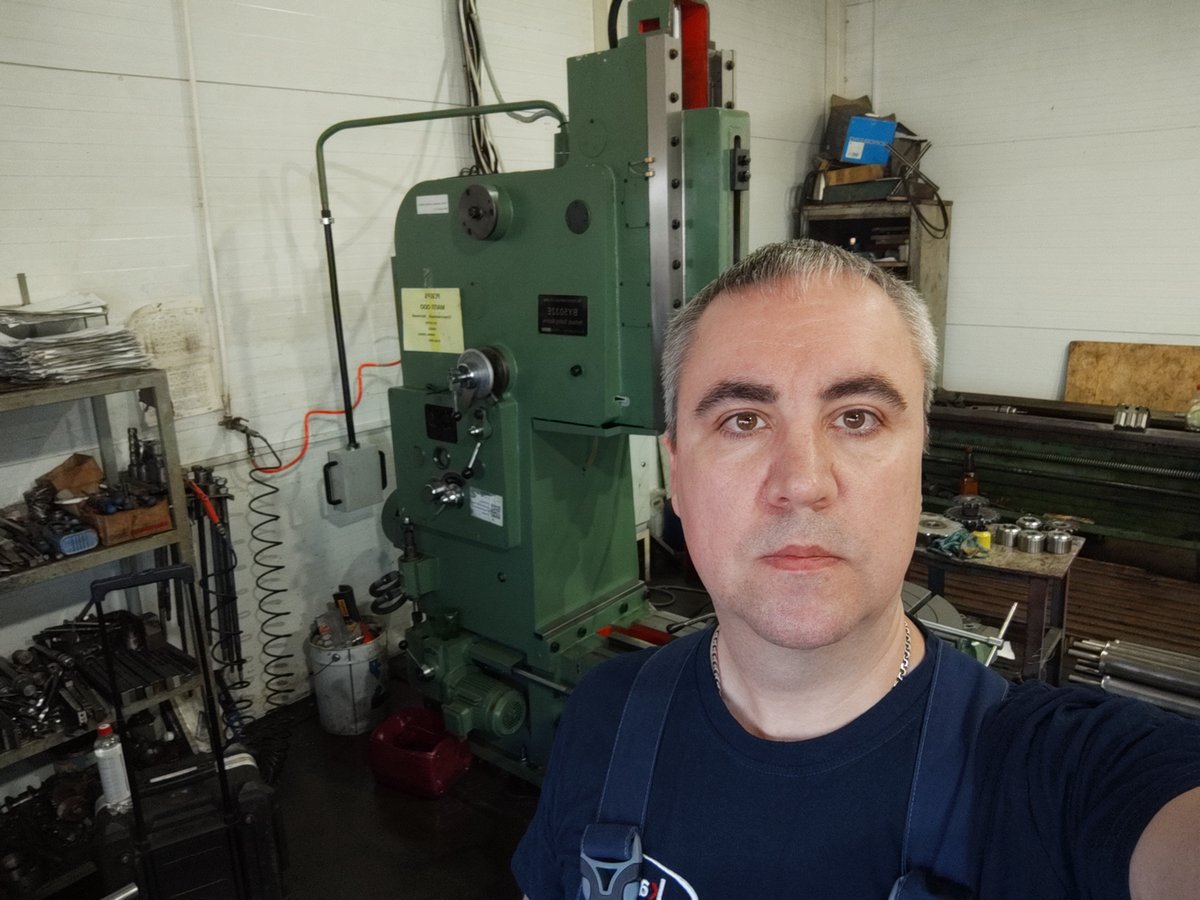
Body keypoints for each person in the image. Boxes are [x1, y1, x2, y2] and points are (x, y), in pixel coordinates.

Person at [512, 239, 1200, 899]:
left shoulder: (1061, 776)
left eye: (858, 418)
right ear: (677, 477)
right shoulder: (602, 719)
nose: (802, 482)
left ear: (919, 463)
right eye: (743, 421)